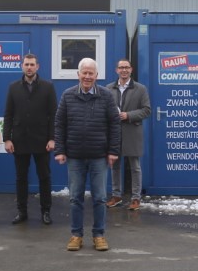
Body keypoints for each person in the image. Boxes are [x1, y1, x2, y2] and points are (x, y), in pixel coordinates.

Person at [54, 57, 120, 252]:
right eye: (85, 72)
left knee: (100, 198)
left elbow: (114, 124)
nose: (87, 76)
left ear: (96, 75)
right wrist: (60, 150)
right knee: (75, 198)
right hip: (75, 156)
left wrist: (113, 151)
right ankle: (76, 235)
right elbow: (60, 124)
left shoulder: (106, 96)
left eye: (91, 73)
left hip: (99, 156)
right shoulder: (68, 95)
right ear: (78, 74)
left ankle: (99, 235)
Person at [3, 53, 58, 225]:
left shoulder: (48, 87)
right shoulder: (13, 87)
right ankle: (22, 211)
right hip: (20, 140)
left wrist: (52, 138)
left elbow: (53, 115)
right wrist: (7, 139)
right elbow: (8, 115)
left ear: (37, 66)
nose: (29, 67)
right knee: (21, 178)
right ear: (22, 66)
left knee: (44, 177)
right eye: (26, 64)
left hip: (42, 141)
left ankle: (46, 211)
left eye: (32, 64)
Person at [105, 59, 151, 210]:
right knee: (115, 166)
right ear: (116, 70)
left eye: (126, 67)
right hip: (114, 132)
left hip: (132, 132)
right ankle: (116, 195)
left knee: (135, 167)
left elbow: (146, 110)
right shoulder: (108, 89)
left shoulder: (140, 89)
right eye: (121, 67)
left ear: (131, 69)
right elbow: (104, 109)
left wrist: (128, 115)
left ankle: (136, 198)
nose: (124, 70)